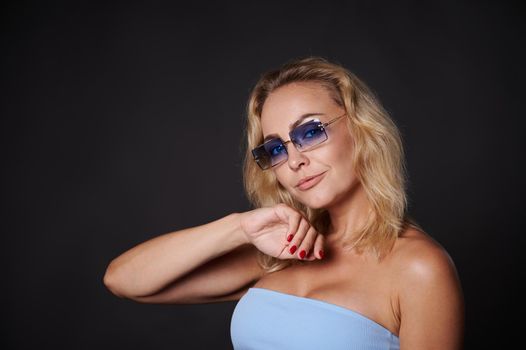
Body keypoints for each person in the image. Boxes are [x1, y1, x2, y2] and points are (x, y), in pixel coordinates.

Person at [103, 56, 464, 349]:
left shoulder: (419, 268)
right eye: (276, 148)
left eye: (310, 132)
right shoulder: (280, 251)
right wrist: (238, 227)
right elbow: (124, 280)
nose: (294, 161)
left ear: (361, 129)